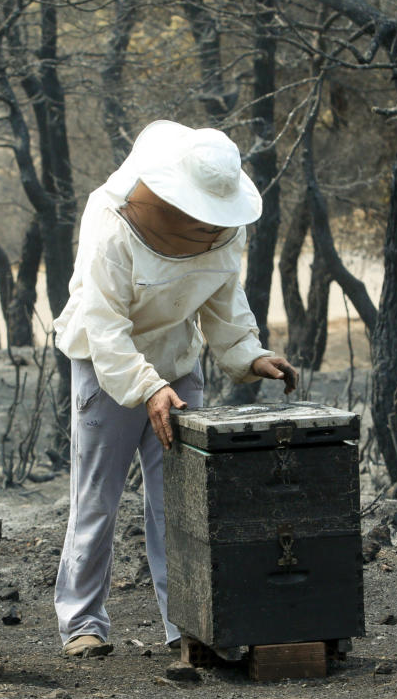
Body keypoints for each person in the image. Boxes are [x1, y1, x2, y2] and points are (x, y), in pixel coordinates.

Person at [52, 120, 298, 658]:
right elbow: (104, 325)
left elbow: (222, 297)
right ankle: (82, 623)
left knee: (183, 505)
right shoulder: (112, 222)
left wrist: (250, 354)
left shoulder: (227, 228)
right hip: (107, 364)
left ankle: (189, 621)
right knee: (97, 498)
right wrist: (146, 388)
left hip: (178, 362)